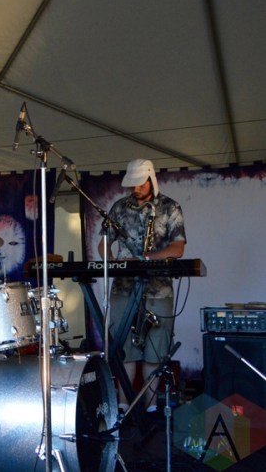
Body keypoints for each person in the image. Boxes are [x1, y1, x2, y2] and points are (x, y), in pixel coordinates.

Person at [98, 159, 186, 414]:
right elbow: (104, 242)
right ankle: (123, 405)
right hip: (123, 288)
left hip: (159, 289)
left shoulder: (170, 207)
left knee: (155, 349)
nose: (135, 189)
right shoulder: (119, 207)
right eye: (132, 185)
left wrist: (148, 258)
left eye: (140, 184)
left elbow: (178, 248)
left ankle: (150, 407)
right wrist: (110, 260)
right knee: (125, 348)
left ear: (151, 179)